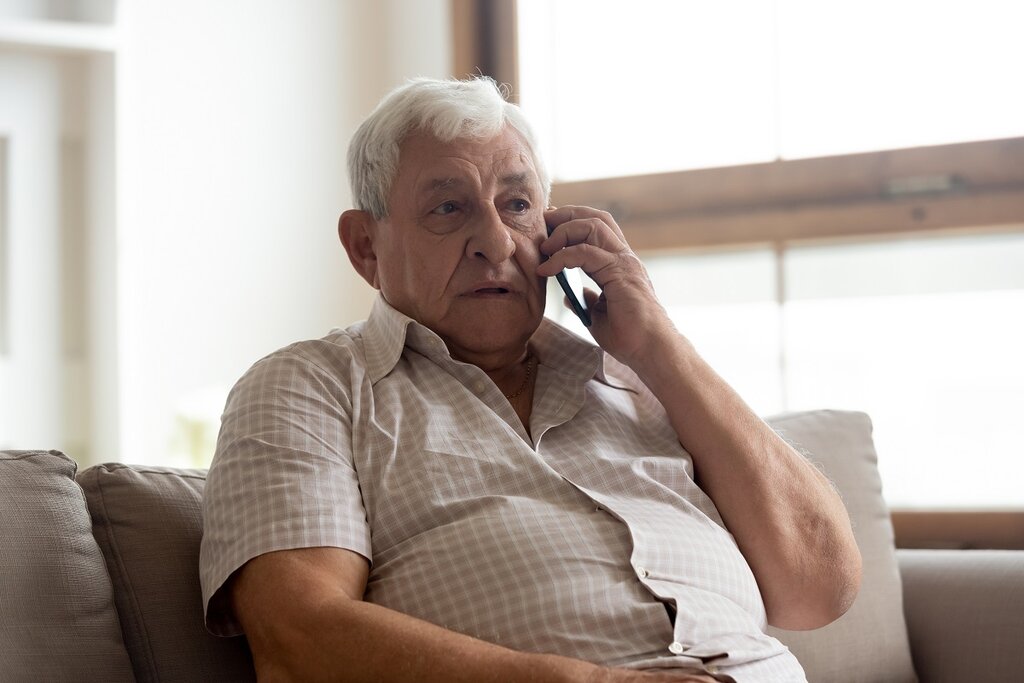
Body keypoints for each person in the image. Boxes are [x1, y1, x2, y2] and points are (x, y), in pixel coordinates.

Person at [199, 77, 862, 683]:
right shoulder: (309, 386)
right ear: (366, 247)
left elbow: (821, 586)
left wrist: (658, 342)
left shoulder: (647, 379)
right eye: (448, 209)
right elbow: (300, 638)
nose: (496, 240)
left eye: (516, 204)